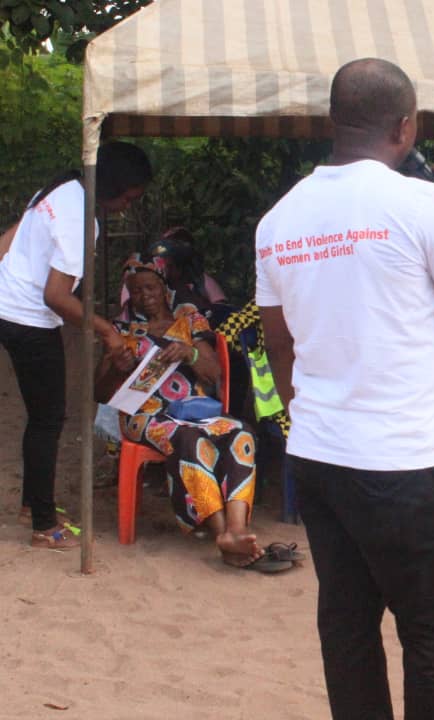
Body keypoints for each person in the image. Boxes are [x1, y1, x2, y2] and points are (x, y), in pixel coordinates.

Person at [257, 59, 434, 720]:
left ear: (332, 124)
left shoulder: (278, 220)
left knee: (346, 630)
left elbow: (278, 343)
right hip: (406, 465)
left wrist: (308, 417)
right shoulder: (420, 202)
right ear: (406, 127)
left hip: (318, 458)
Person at [0, 141, 151, 549]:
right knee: (49, 418)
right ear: (114, 187)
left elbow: (10, 239)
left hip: (7, 305)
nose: (126, 206)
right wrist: (107, 330)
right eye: (129, 197)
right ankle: (44, 526)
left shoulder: (60, 187)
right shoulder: (81, 218)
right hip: (28, 318)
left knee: (40, 414)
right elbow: (56, 295)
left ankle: (34, 504)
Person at [93, 256, 282, 570]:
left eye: (150, 286)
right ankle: (223, 534)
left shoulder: (190, 320)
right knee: (189, 438)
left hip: (197, 410)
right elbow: (99, 394)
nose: (145, 295)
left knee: (241, 432)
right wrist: (116, 368)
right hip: (146, 415)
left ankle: (238, 527)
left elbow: (213, 372)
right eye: (136, 290)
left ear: (165, 288)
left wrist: (190, 352)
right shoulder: (121, 330)